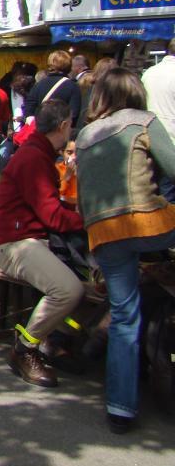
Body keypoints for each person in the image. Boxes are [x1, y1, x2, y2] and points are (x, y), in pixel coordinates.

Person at [76, 68, 175, 433]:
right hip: (144, 222)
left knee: (124, 316)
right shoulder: (143, 121)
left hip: (103, 231)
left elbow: (82, 199)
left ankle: (121, 408)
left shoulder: (85, 135)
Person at [0, 100, 85, 390]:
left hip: (27, 239)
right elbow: (52, 216)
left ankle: (55, 341)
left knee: (91, 284)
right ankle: (25, 349)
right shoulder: (34, 158)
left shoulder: (38, 153)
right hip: (15, 244)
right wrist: (90, 220)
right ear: (63, 126)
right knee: (69, 289)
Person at [24, 50, 81, 126]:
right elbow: (74, 114)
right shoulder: (73, 86)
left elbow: (29, 111)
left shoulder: (38, 85)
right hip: (61, 132)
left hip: (41, 133)